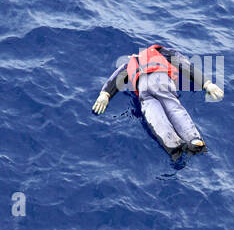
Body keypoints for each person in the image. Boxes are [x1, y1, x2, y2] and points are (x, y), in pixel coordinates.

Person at [91, 44, 223, 157]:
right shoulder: (160, 52)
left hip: (143, 88)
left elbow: (114, 79)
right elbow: (185, 65)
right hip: (161, 80)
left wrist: (105, 94)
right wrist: (207, 83)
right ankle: (194, 140)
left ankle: (173, 146)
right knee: (174, 108)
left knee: (154, 115)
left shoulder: (129, 64)